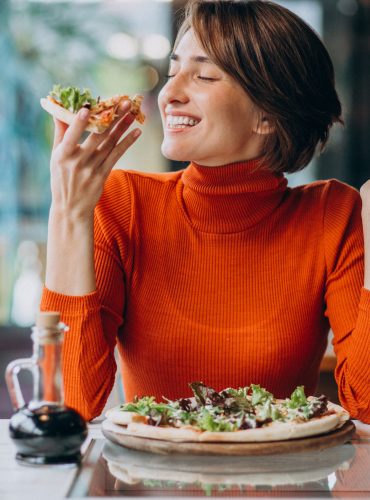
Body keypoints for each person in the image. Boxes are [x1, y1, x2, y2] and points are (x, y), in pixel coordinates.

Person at [40, 0, 370, 423]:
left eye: (204, 75)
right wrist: (68, 212)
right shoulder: (122, 203)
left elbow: (364, 403)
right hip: (152, 484)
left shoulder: (333, 214)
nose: (169, 94)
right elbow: (70, 406)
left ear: (267, 115)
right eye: (173, 70)